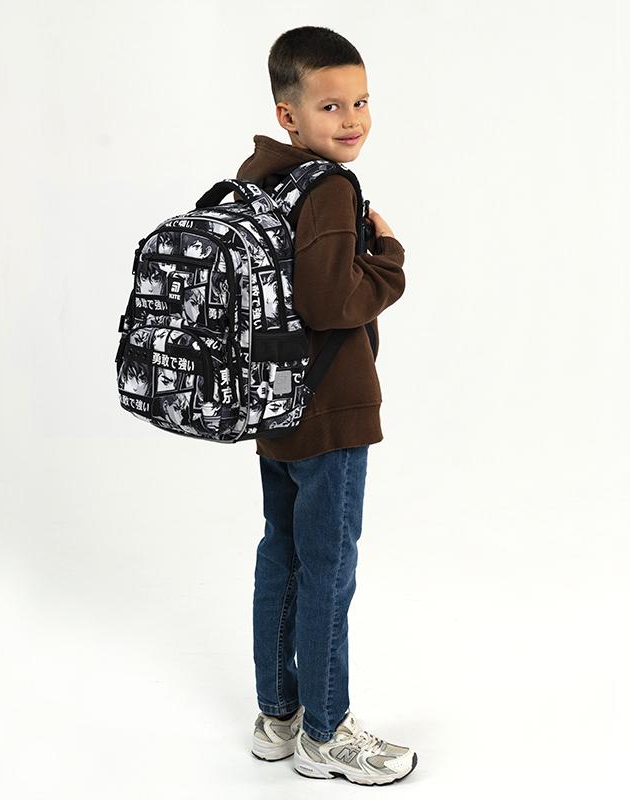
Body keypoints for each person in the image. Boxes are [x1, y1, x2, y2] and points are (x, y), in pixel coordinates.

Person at [239, 26, 418, 786]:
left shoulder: (260, 177)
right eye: (331, 105)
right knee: (329, 570)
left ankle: (277, 715)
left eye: (362, 101)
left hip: (275, 403)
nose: (352, 119)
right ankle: (326, 731)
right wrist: (389, 260)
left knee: (281, 557)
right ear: (289, 114)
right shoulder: (331, 188)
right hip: (333, 410)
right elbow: (330, 302)